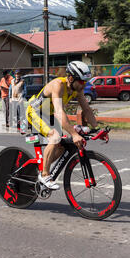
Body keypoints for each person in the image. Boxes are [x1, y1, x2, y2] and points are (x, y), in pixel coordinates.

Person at [26, 61, 98, 190]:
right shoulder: (58, 85)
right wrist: (74, 134)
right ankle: (45, 175)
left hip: (49, 114)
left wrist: (97, 129)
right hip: (35, 112)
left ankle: (42, 166)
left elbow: (86, 109)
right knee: (55, 137)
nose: (84, 85)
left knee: (63, 146)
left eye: (85, 82)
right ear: (70, 78)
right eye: (81, 82)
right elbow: (59, 112)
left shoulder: (77, 88)